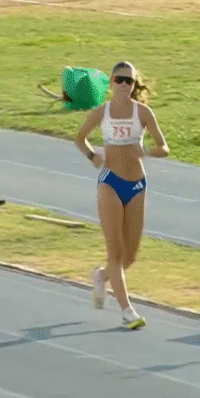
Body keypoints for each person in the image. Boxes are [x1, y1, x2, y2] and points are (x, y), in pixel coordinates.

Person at [75, 61, 169, 329]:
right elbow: (80, 138)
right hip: (110, 183)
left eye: (130, 80)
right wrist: (93, 156)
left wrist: (147, 151)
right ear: (111, 82)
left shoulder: (143, 113)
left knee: (129, 257)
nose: (125, 85)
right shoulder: (101, 113)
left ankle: (101, 276)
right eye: (120, 79)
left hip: (137, 185)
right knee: (115, 252)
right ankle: (127, 311)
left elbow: (164, 147)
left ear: (134, 84)